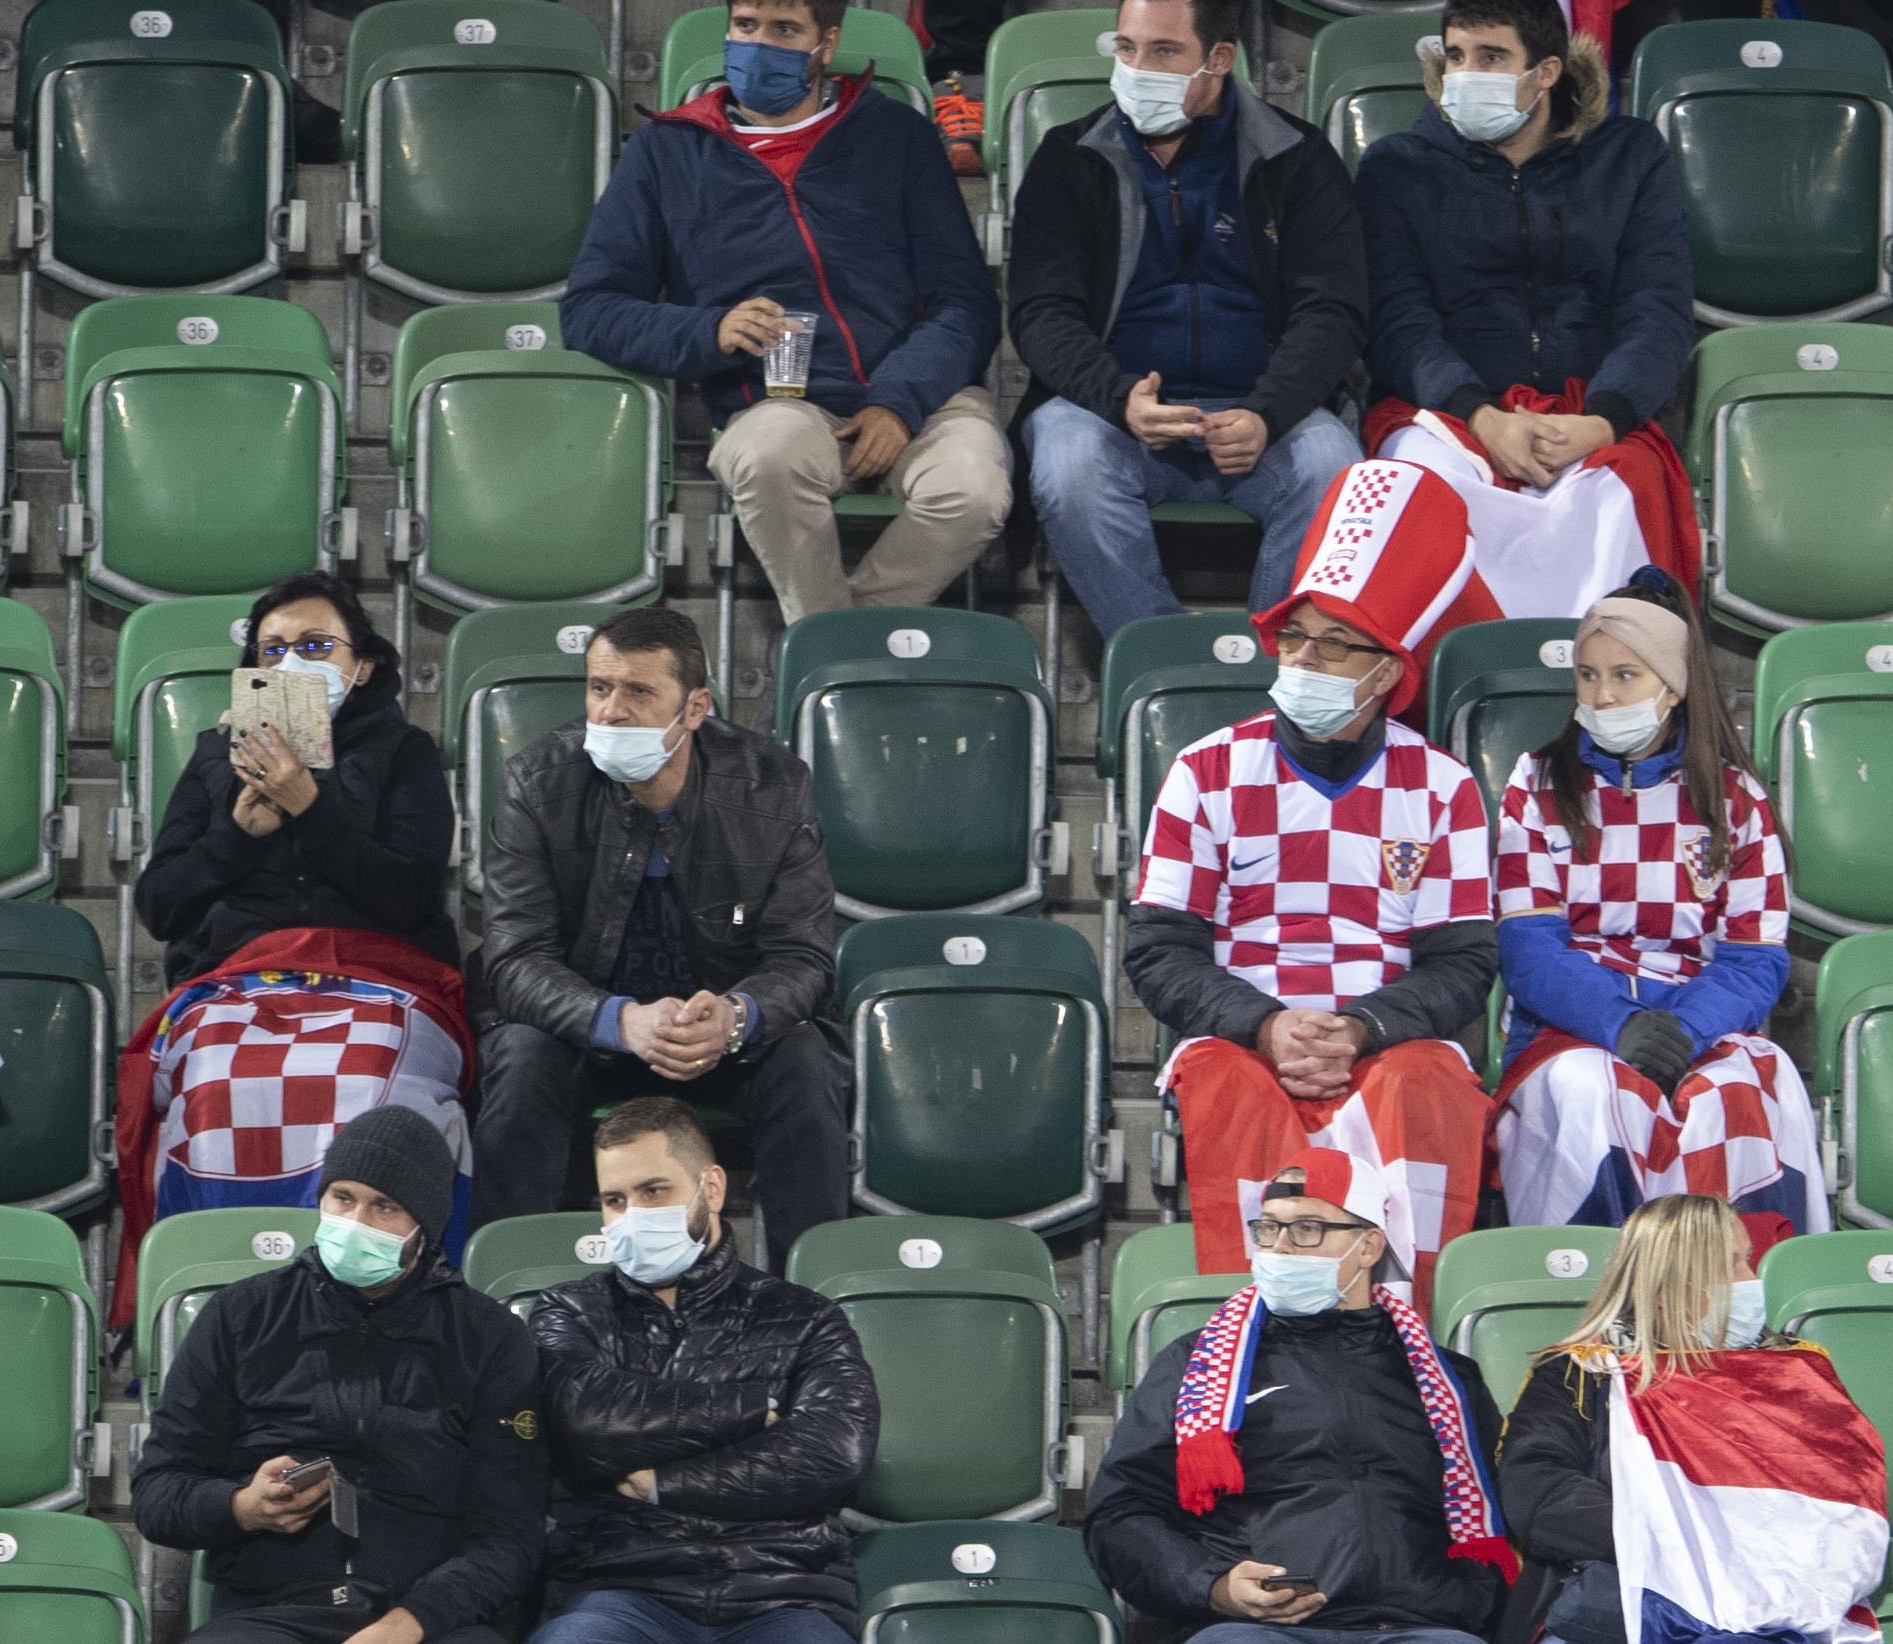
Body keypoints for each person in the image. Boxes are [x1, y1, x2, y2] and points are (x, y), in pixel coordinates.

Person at [1126, 469, 1504, 1296]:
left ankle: (1407, 1318)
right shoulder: (1207, 769)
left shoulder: (1442, 785)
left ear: (1386, 672)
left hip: (1385, 1038)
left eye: (1333, 643)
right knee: (1224, 1083)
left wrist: (1364, 1027)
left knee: (1429, 1081)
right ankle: (1253, 1319)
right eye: (1293, 636)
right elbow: (1158, 950)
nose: (1302, 657)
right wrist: (1263, 1025)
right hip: (1243, 1035)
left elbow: (1463, 962)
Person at [1090, 1146, 1535, 1644]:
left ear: (1368, 1246)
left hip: (1414, 1631)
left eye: (1305, 1229)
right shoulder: (1198, 1365)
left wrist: (1461, 1599)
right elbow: (1120, 1515)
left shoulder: (1446, 1379)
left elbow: (1494, 1513)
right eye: (1267, 1228)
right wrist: (1213, 1586)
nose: (1277, 1247)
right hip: (1248, 1635)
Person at [131, 1109, 543, 1644]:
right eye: (342, 1198)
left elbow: (509, 1537)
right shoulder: (240, 1315)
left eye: (385, 1208)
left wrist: (406, 1624)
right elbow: (157, 1492)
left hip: (428, 1618)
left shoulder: (490, 1338)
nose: (357, 1222)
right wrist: (240, 1506)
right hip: (270, 1611)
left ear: (424, 1228)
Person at [558, 0, 1009, 629]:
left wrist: (898, 403)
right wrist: (707, 329)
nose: (759, 45)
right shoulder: (667, 149)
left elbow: (964, 298)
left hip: (923, 398)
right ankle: (835, 653)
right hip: (779, 404)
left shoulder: (896, 134)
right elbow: (590, 310)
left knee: (974, 489)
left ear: (827, 43)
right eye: (745, 26)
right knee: (767, 457)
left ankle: (827, 646)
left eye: (785, 30)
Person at [521, 1098, 884, 1644]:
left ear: (711, 1188)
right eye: (614, 1199)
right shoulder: (568, 1313)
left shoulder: (806, 1318)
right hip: (627, 1588)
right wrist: (748, 1408)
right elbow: (586, 1424)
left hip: (783, 1592)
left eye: (654, 1191)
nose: (631, 1216)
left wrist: (661, 1481)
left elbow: (830, 1456)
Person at [1499, 1194, 1885, 1644]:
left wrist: (1717, 1545)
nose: (1751, 1279)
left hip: (1743, 1625)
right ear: (1676, 1279)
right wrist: (1682, 1539)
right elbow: (1540, 1499)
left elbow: (1836, 1501)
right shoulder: (1581, 1374)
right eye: (1732, 1264)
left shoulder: (1794, 1376)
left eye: (1748, 1260)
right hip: (1605, 1614)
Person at [466, 606, 850, 1244]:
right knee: (521, 1058)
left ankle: (807, 1289)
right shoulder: (538, 782)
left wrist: (736, 1016)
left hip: (717, 1035)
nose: (612, 711)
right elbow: (514, 959)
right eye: (599, 688)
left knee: (806, 1062)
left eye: (639, 691)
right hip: (586, 1030)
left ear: (695, 708)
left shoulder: (773, 787)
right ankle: (506, 1279)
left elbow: (803, 956)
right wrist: (619, 1021)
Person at [1004, 0, 1370, 647]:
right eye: (1126, 48)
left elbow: (1333, 309)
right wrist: (1119, 398)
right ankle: (1162, 663)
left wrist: (1267, 411)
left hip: (1262, 416)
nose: (1137, 69)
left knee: (1333, 467)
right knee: (1070, 470)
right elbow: (1040, 310)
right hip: (1116, 415)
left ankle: (1268, 670)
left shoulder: (1296, 156)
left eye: (1164, 51)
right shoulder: (1069, 156)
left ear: (1219, 59)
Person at [1488, 575, 1816, 1238]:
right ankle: (1596, 1284)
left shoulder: (1736, 799)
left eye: (1625, 676)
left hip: (1700, 1027)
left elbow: (1755, 959)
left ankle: (1743, 1285)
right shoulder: (1536, 783)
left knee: (1750, 1088)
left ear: (1672, 687)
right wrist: (1621, 1023)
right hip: (1573, 1030)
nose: (1602, 696)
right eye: (1587, 675)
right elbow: (1530, 952)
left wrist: (1684, 1031)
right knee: (1601, 1093)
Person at [1352, 0, 1701, 616]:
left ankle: (1604, 675)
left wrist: (1602, 420)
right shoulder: (1397, 166)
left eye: (1491, 57)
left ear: (1546, 72)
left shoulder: (1629, 155)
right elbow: (1399, 319)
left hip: (1589, 410)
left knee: (1622, 489)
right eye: (1455, 55)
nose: (1466, 74)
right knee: (1423, 487)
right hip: (1448, 412)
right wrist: (1480, 416)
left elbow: (1657, 307)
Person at [127, 574, 459, 981]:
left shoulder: (405, 750)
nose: (291, 663)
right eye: (272, 651)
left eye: (315, 646)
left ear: (363, 667)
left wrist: (309, 808)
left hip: (373, 976)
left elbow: (413, 900)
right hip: (238, 973)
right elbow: (159, 909)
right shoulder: (216, 753)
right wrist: (235, 838)